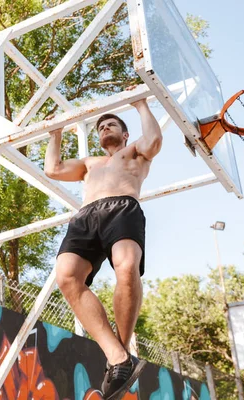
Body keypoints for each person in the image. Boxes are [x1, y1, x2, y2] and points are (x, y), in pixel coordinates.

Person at [43, 93, 162, 399]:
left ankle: (121, 356)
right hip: (86, 216)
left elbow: (153, 140)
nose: (104, 128)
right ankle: (119, 357)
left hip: (123, 208)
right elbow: (53, 169)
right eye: (100, 127)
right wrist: (54, 134)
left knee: (125, 268)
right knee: (66, 276)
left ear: (124, 134)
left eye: (111, 124)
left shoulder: (134, 152)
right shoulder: (89, 163)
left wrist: (140, 103)